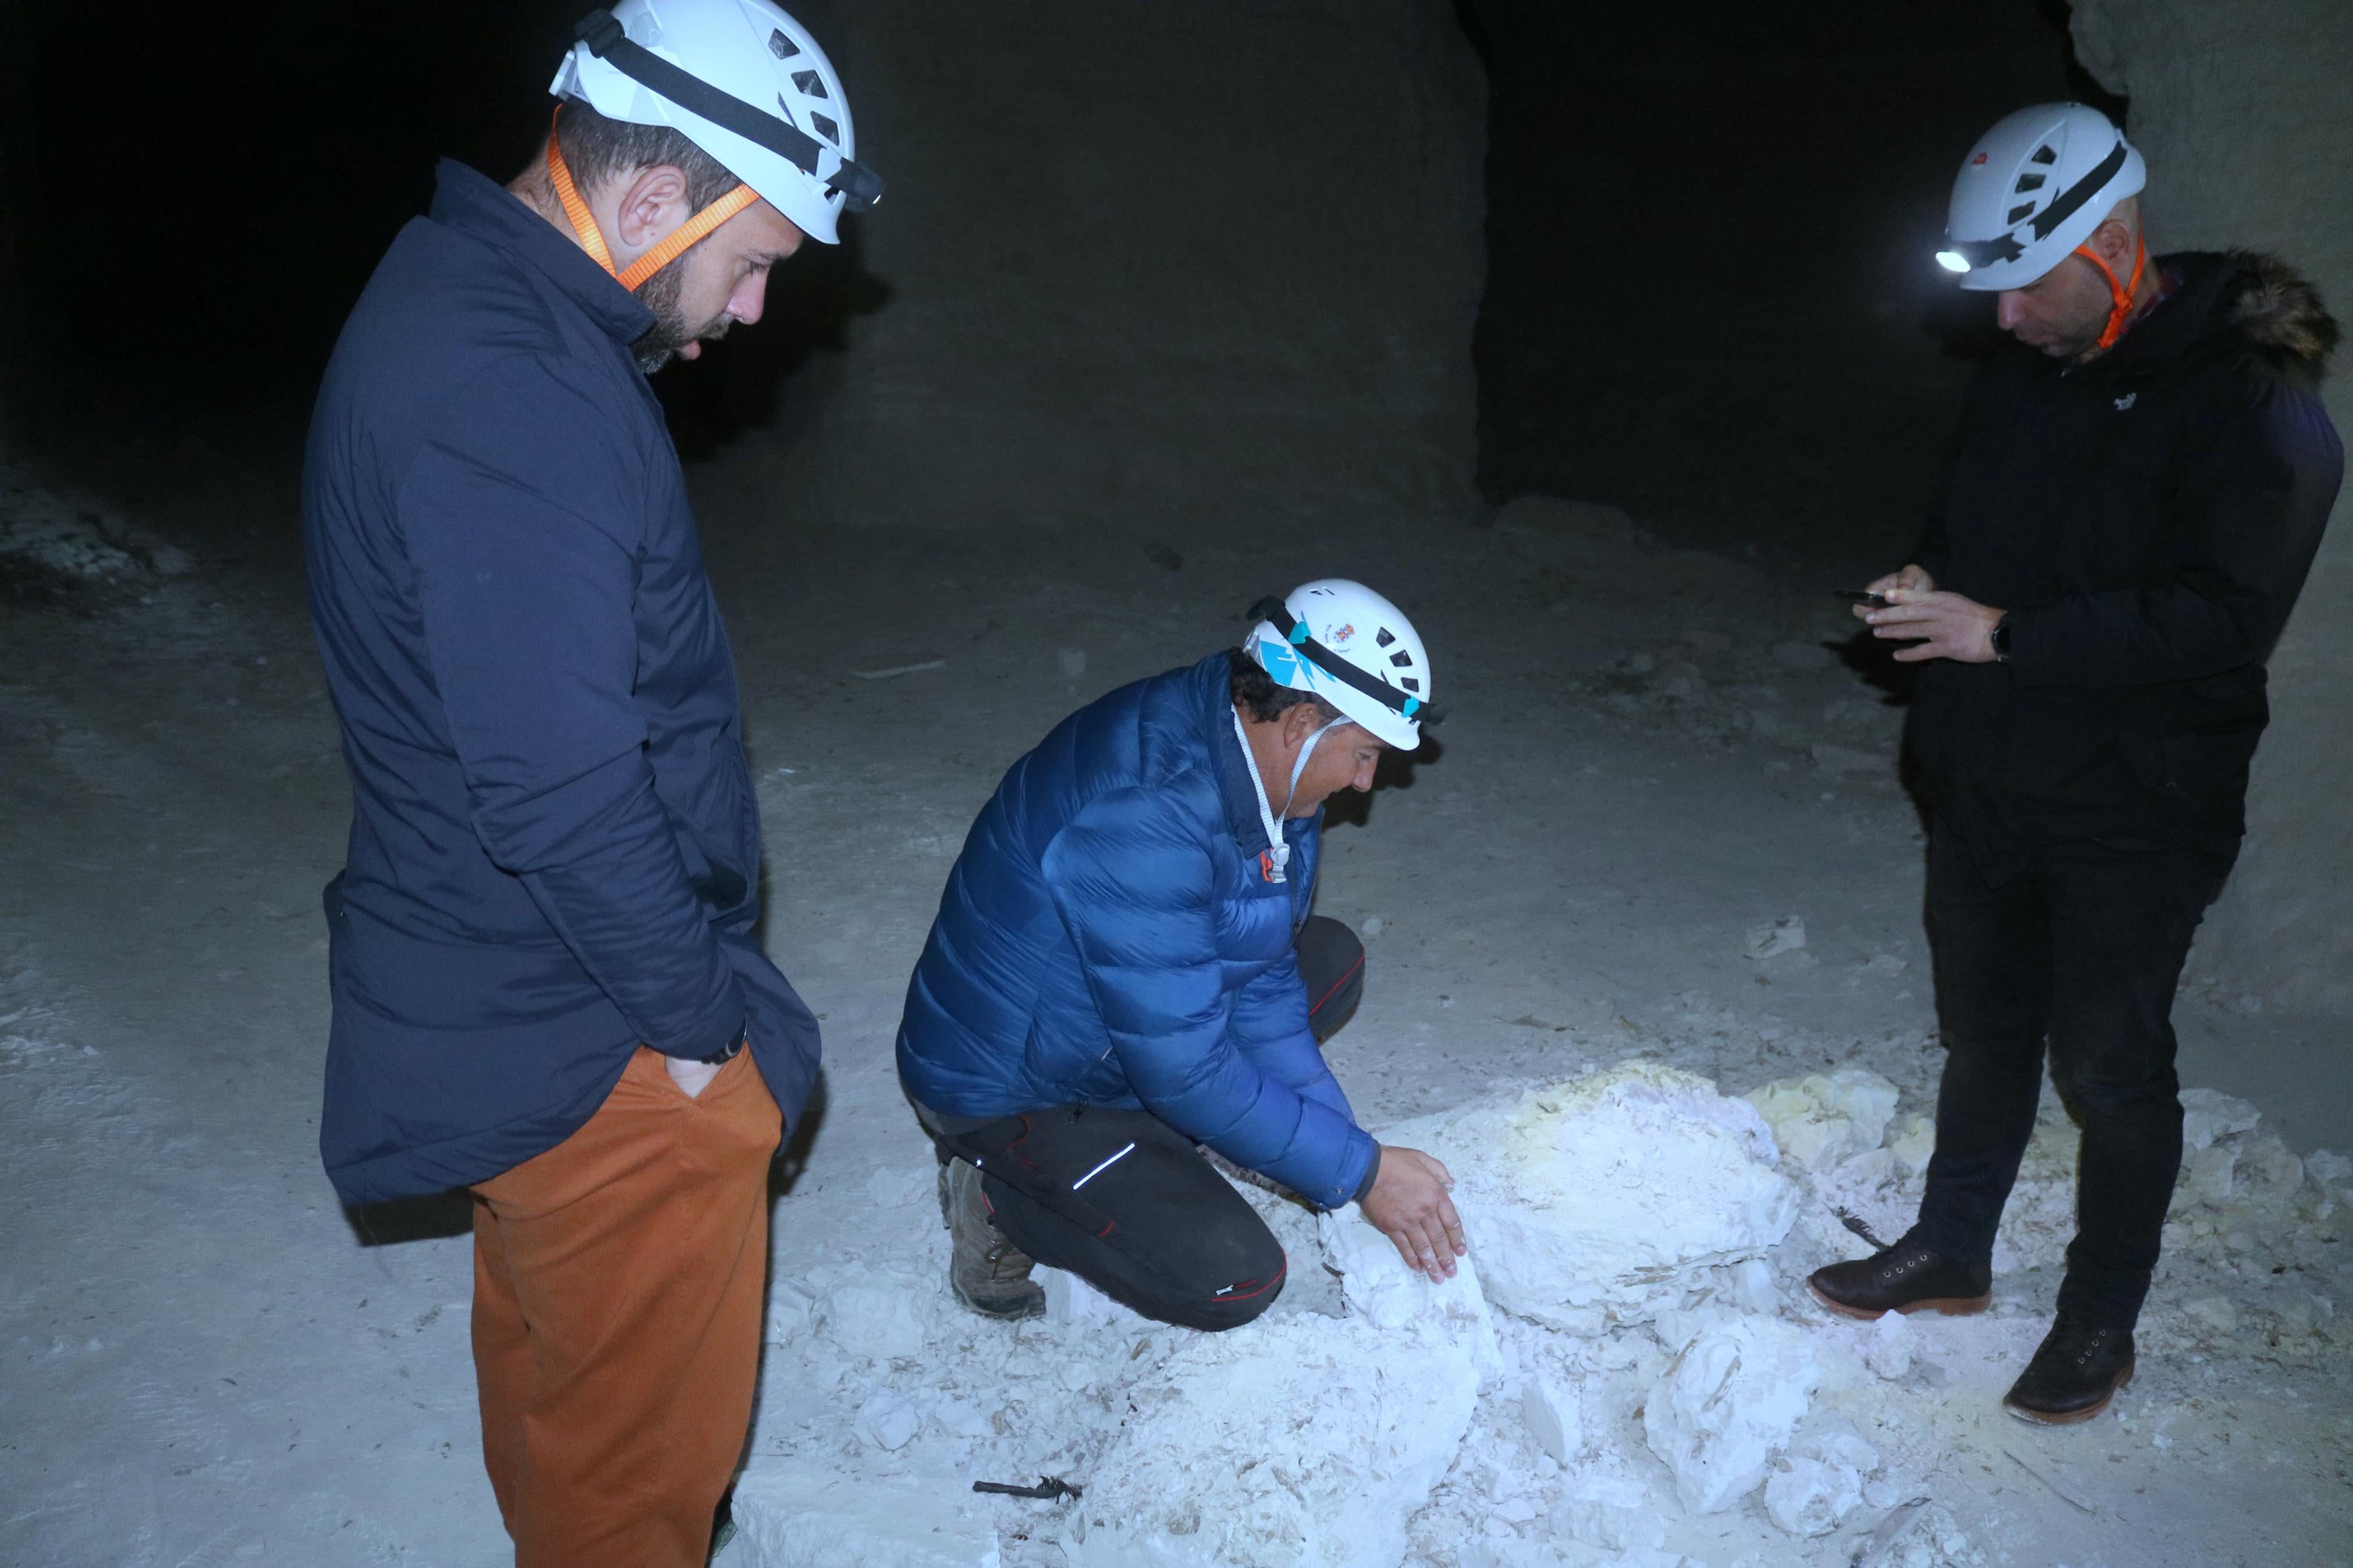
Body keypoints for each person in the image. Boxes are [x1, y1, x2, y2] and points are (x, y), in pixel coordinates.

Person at [300, 3, 882, 1561]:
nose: (756, 309)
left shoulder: (463, 295)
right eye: (751, 258)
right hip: (576, 1021)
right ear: (645, 204)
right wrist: (694, 1032)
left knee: (573, 1371)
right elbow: (559, 796)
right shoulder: (520, 398)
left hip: (507, 983)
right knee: (629, 1481)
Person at [1809, 103, 2341, 1425]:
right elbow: (1967, 528)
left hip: (2134, 801)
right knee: (1982, 1034)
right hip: (1989, 775)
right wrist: (1927, 582)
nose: (1998, 321)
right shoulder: (2027, 370)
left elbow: (2219, 619)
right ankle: (1950, 1249)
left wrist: (2003, 634)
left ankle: (2098, 1321)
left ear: (2109, 246)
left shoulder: (2252, 407)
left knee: (2109, 1066)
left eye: (2020, 287)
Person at [895, 580, 1468, 1328]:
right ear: (1300, 722)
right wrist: (1361, 1174)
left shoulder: (1256, 756)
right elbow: (1184, 1068)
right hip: (1011, 1087)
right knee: (1233, 1280)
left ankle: (1160, 1143)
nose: (1366, 782)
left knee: (1327, 959)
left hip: (1107, 1025)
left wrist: (1344, 1153)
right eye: (1362, 754)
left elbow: (1261, 973)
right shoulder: (1147, 811)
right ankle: (1000, 1201)